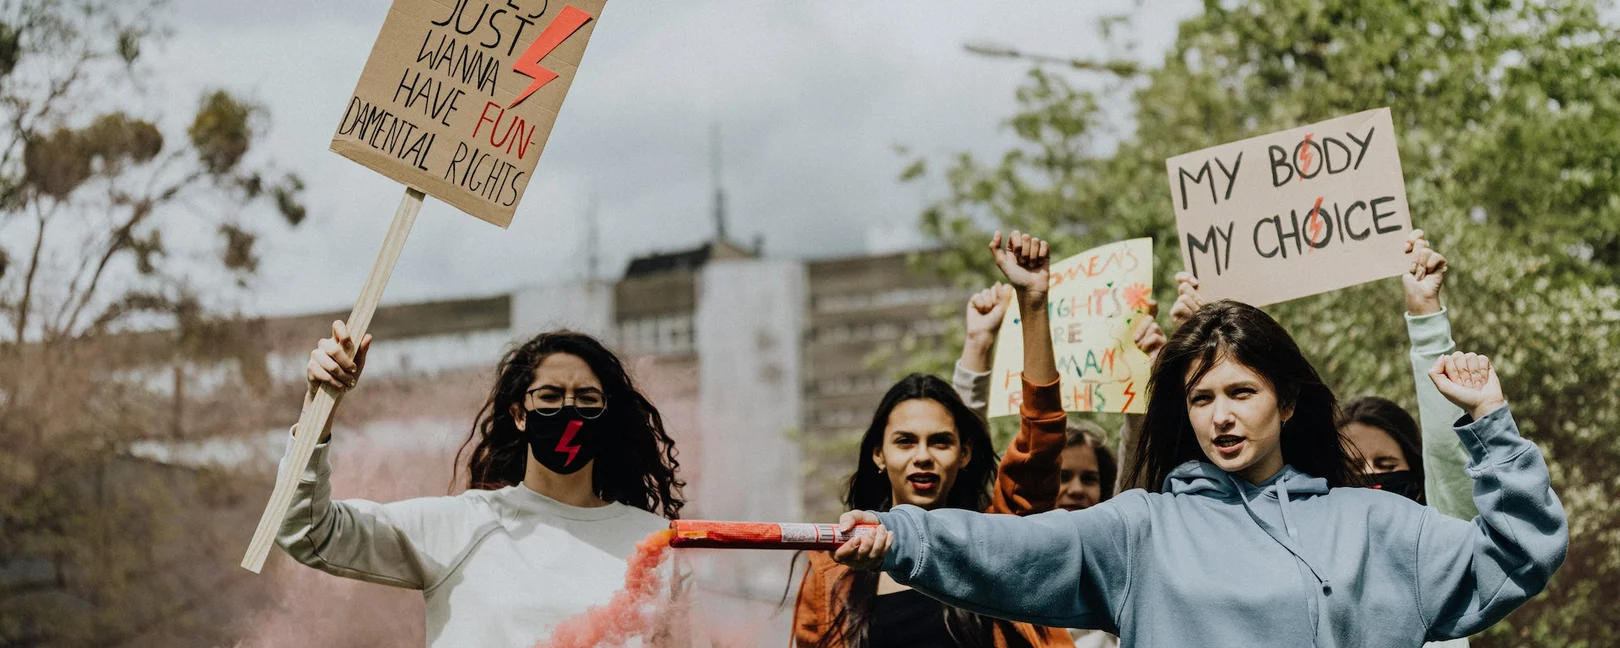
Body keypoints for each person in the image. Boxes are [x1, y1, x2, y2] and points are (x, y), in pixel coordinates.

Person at [831, 299, 1567, 648]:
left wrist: (1490, 424)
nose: (1220, 416)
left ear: (1285, 403)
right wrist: (899, 536)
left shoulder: (1378, 524)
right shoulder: (1143, 529)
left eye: (1240, 393)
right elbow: (1010, 549)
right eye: (1201, 398)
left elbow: (1518, 557)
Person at [276, 325, 685, 647]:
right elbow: (309, 530)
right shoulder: (463, 526)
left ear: (608, 416)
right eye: (549, 396)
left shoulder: (655, 545)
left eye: (587, 399)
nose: (568, 410)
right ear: (519, 414)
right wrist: (319, 406)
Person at [792, 232, 1073, 648]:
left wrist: (1032, 302)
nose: (923, 457)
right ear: (878, 454)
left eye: (940, 442)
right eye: (905, 442)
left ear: (964, 454)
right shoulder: (832, 568)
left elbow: (1041, 440)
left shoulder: (995, 539)